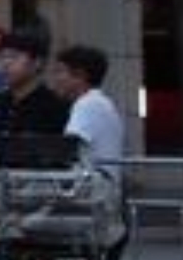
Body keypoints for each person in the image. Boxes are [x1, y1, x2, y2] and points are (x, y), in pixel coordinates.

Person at [0, 22, 72, 162]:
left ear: (37, 63)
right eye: (3, 56)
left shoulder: (56, 107)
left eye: (14, 57)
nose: (6, 63)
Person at [48, 41, 130, 170]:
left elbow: (68, 148)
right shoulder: (100, 102)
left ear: (80, 75)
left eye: (60, 71)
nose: (55, 79)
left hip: (92, 181)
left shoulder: (87, 105)